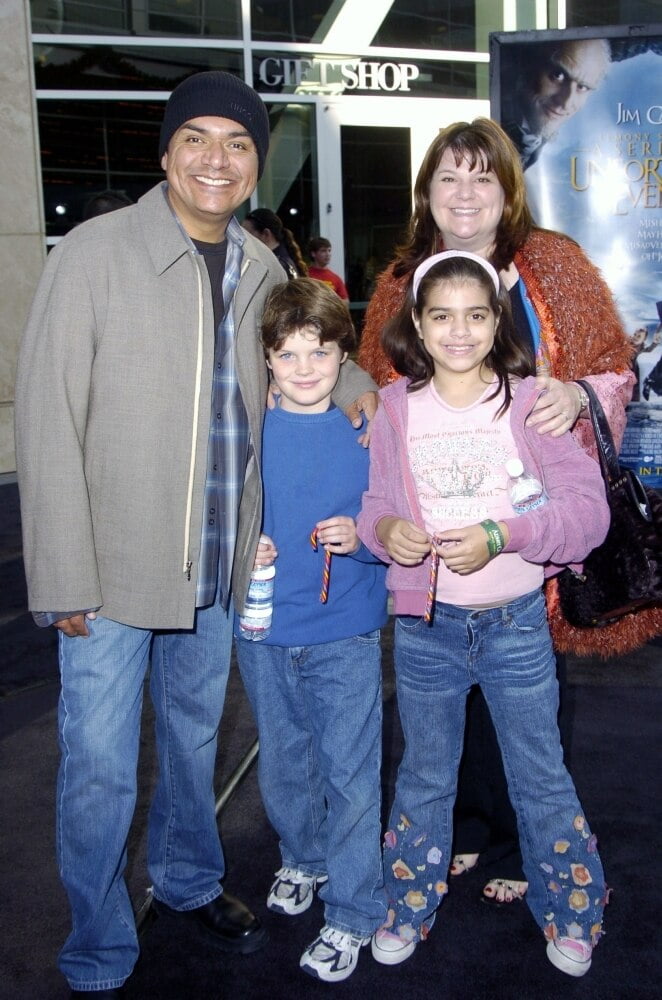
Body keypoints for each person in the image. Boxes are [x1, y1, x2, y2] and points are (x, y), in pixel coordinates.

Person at [14, 70, 377, 998]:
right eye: (198, 139)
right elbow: (47, 420)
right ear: (167, 152)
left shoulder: (262, 266)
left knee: (191, 745)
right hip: (111, 571)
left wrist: (359, 389)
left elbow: (307, 353)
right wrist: (61, 576)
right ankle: (97, 945)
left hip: (217, 566)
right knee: (99, 768)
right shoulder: (94, 254)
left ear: (256, 164)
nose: (218, 159)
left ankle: (186, 883)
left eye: (240, 143)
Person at [357, 117, 652, 909]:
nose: (464, 193)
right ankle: (464, 825)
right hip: (437, 550)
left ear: (506, 191)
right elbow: (372, 396)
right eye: (448, 177)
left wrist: (577, 394)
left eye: (481, 177)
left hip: (534, 534)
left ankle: (525, 844)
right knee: (442, 704)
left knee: (528, 702)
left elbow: (615, 367)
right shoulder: (399, 280)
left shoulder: (553, 264)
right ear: (427, 193)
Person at [357, 250, 610, 977]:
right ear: (418, 324)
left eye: (475, 315)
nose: (459, 331)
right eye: (442, 316)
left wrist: (505, 535)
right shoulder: (397, 407)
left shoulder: (532, 403)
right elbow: (376, 507)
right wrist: (387, 534)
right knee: (425, 776)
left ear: (497, 319)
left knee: (539, 774)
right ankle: (407, 905)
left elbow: (586, 513)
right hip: (425, 629)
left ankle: (572, 913)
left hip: (516, 625)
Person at [234, 278, 388, 982]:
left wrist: (359, 537)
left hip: (345, 632)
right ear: (265, 359)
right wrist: (246, 548)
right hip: (264, 631)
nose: (303, 368)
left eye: (318, 353)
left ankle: (355, 910)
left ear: (342, 357)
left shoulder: (367, 430)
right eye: (288, 354)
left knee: (352, 774)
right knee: (285, 761)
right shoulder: (247, 430)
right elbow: (219, 511)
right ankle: (305, 857)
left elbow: (394, 525)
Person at [501, 38, 611, 169]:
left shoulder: (540, 146)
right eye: (558, 75)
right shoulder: (494, 132)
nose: (566, 102)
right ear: (529, 66)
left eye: (582, 87)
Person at [242, 206, 308, 279]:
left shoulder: (278, 266)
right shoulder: (279, 261)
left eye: (248, 234)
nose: (243, 238)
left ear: (266, 234)